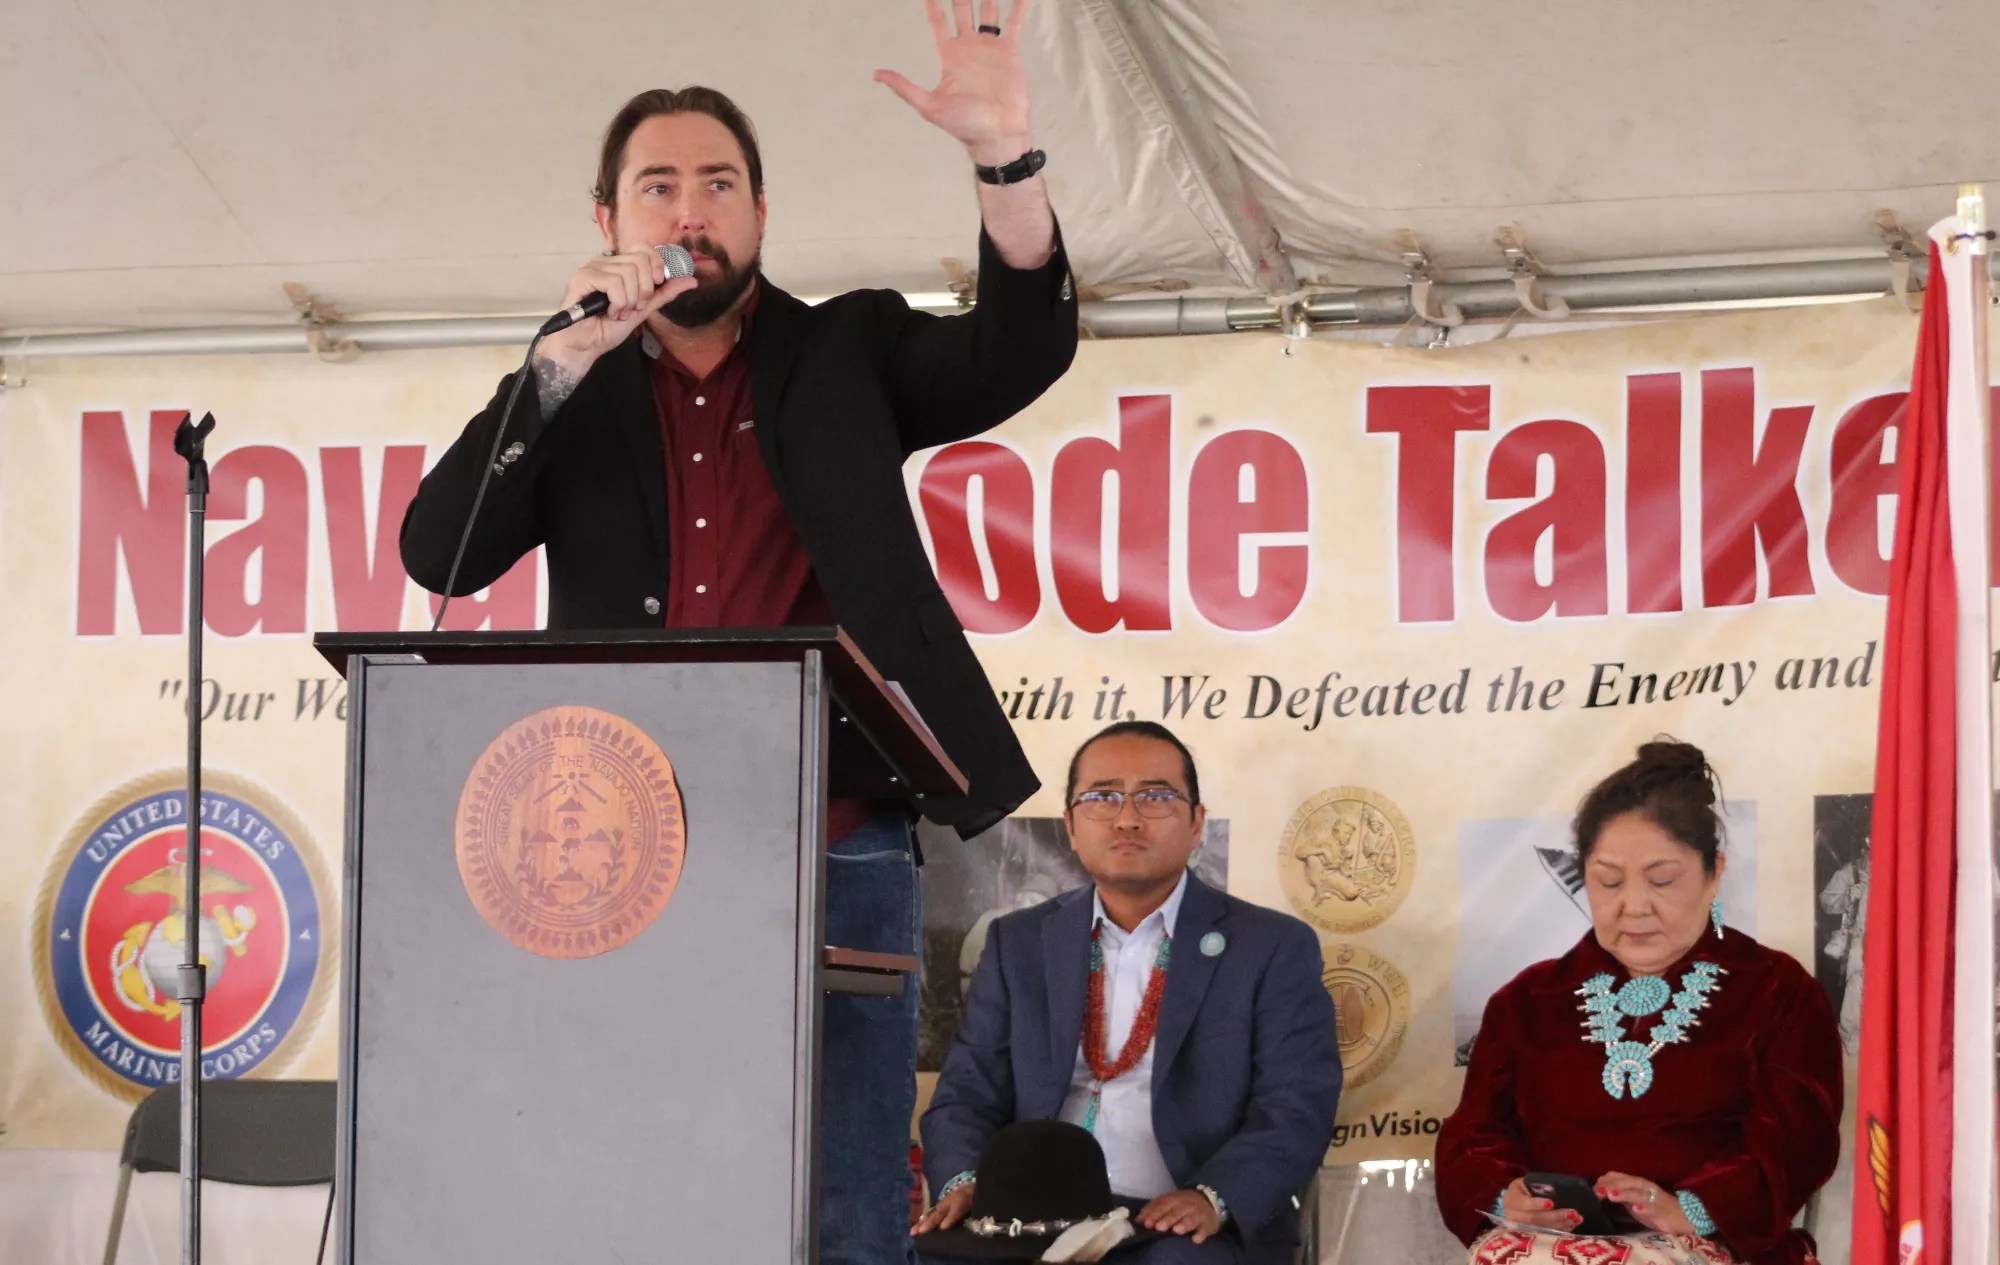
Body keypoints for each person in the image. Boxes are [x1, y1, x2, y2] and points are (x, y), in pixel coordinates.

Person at [397, 7, 1076, 1264]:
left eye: (719, 181)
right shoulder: (567, 388)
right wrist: (550, 369)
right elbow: (441, 554)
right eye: (656, 185)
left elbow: (1018, 345)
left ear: (762, 215)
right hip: (613, 846)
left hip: (837, 831)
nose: (687, 206)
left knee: (848, 1189)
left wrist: (1004, 159)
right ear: (606, 220)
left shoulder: (848, 349)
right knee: (631, 1164)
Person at [916, 721, 1341, 1265]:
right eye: (1102, 797)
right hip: (1031, 1218)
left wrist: (1214, 1196)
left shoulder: (1271, 947)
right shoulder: (1018, 942)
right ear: (1070, 825)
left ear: (1197, 825)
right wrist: (966, 1180)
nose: (1127, 818)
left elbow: (1297, 1105)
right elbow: (965, 1095)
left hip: (1174, 1222)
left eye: (1157, 796)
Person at [1435, 740, 1842, 1265]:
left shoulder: (1776, 991)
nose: (1634, 906)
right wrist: (1504, 1195)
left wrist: (1692, 1210)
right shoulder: (1528, 1002)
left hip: (1716, 1247)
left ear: (1713, 872)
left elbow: (1797, 1139)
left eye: (1662, 880)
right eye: (1608, 881)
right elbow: (1472, 1134)